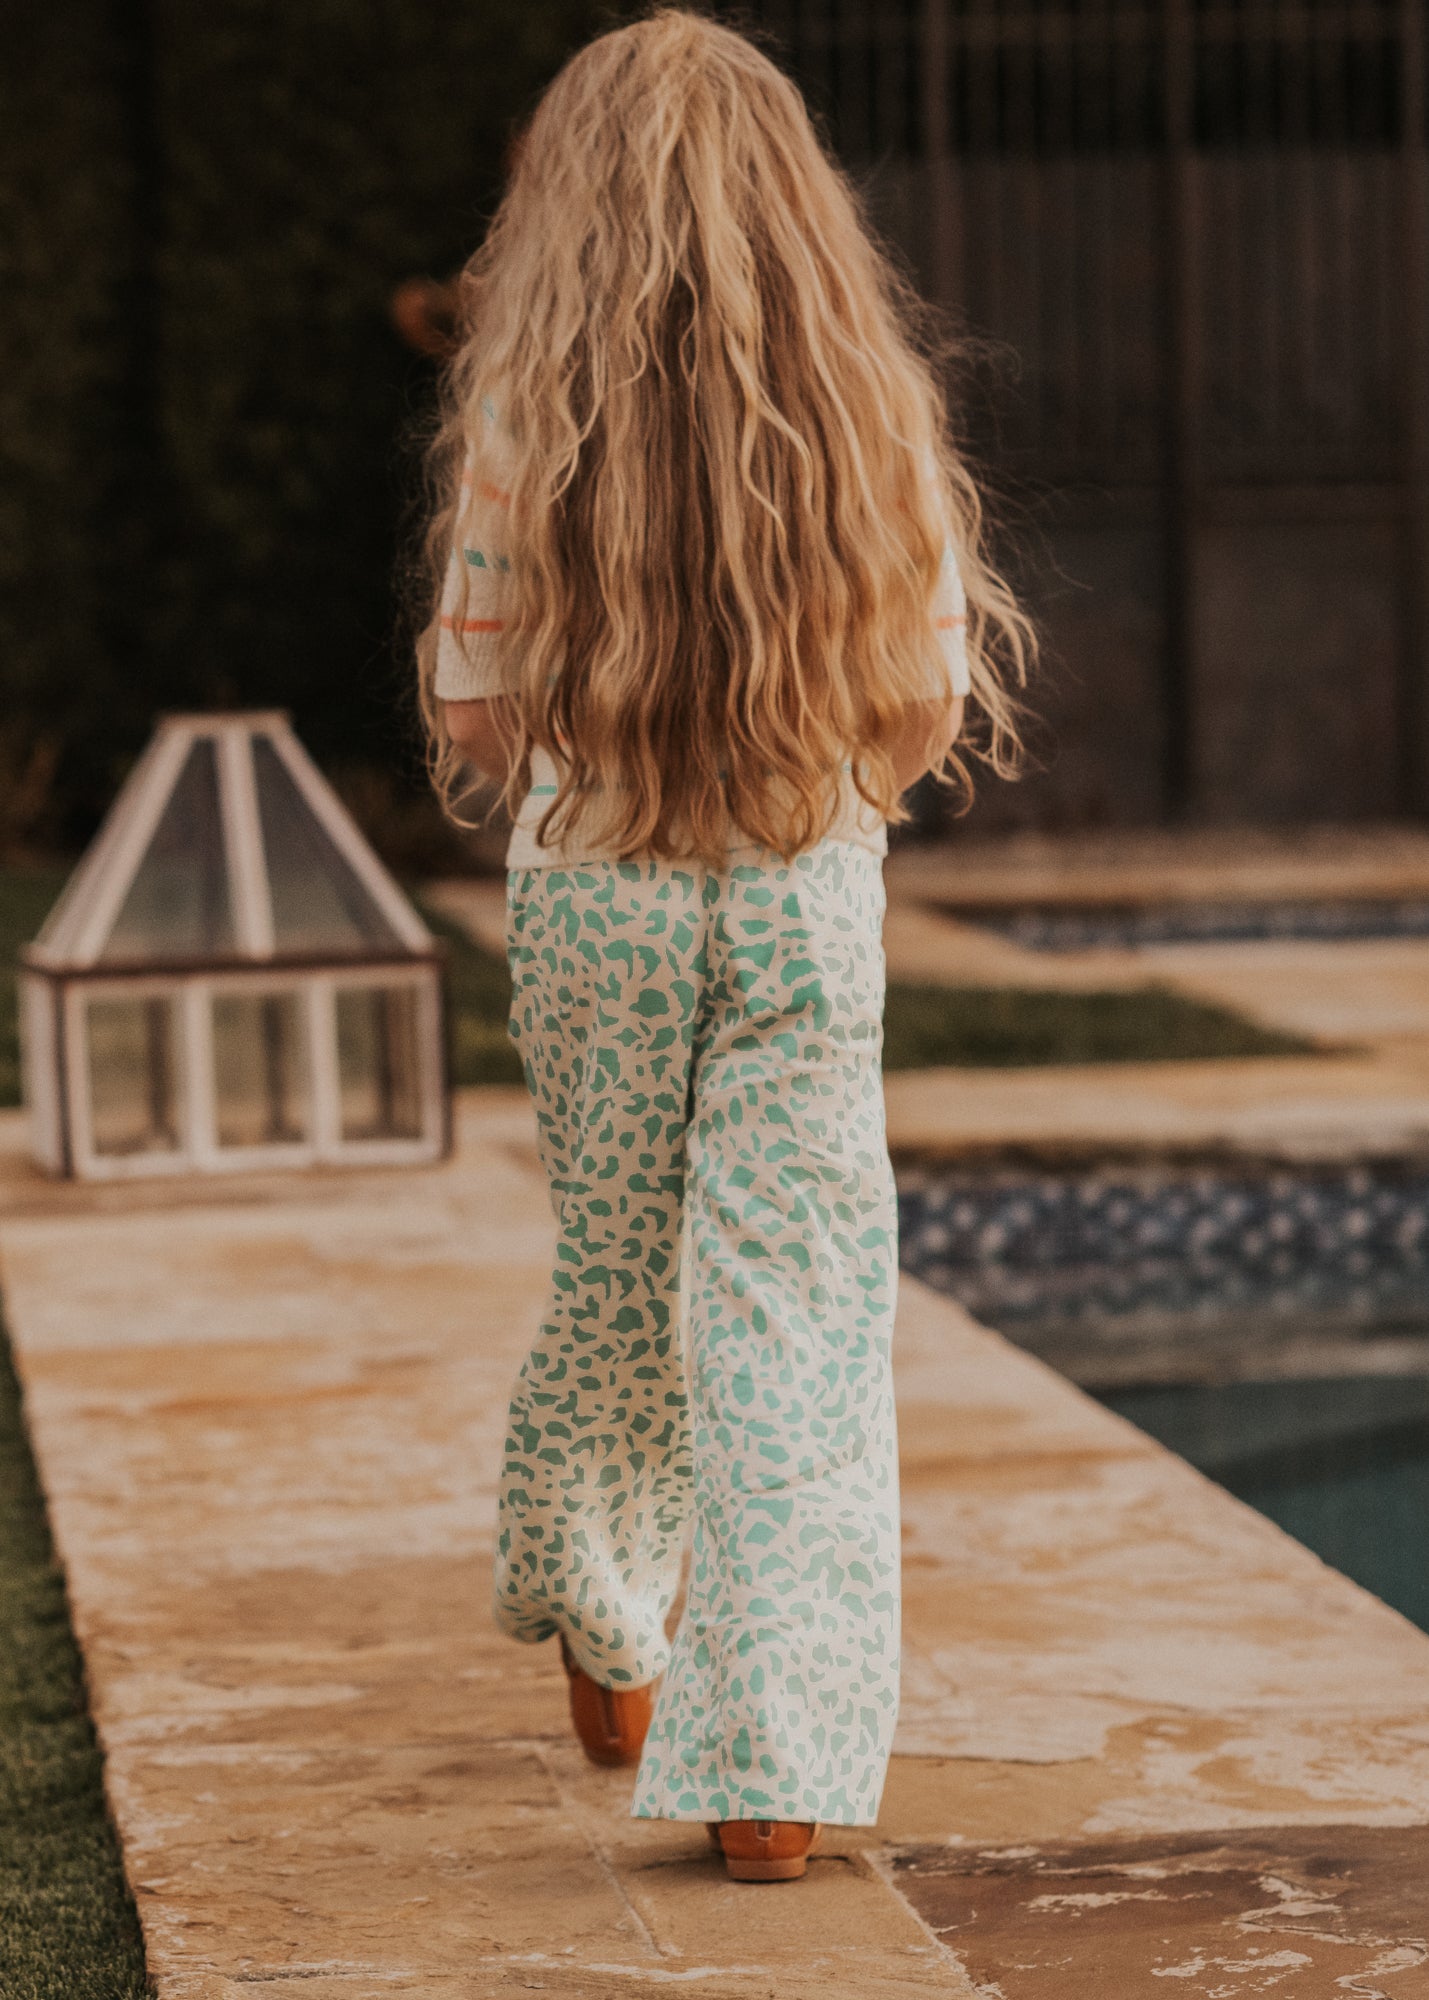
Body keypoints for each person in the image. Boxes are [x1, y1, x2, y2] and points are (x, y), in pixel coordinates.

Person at [417, 7, 1030, 1883]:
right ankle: (769, 1774)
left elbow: (473, 709)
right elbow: (922, 706)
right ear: (800, 203)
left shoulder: (527, 420)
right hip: (798, 889)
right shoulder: (867, 409)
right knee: (797, 1317)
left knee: (614, 1271)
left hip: (595, 889)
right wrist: (814, 778)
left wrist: (586, 761)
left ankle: (605, 1620)